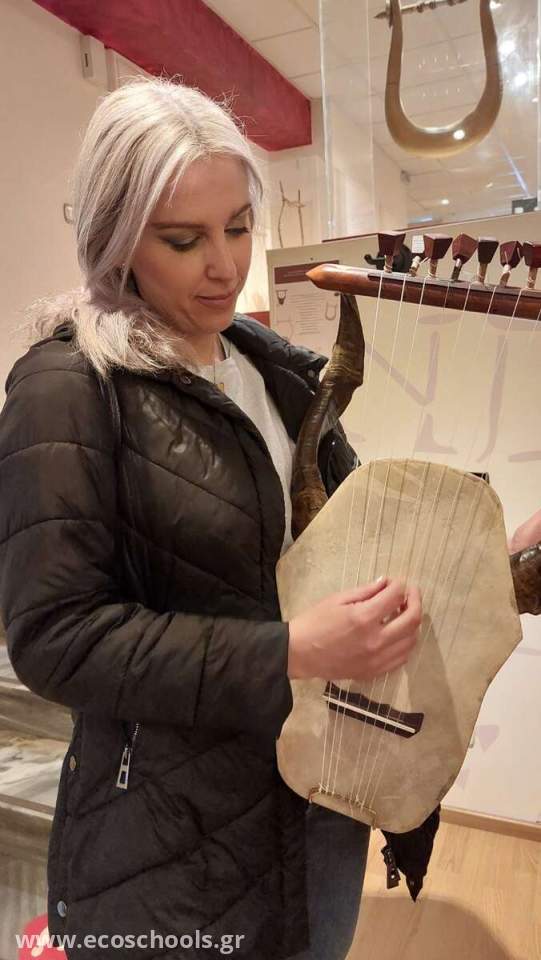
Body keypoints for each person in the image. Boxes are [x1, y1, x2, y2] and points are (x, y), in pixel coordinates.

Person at [0, 77, 422, 960]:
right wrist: (292, 650)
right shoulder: (66, 391)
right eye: (184, 239)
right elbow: (54, 639)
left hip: (319, 795)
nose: (225, 265)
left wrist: (489, 559)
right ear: (115, 237)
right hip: (166, 841)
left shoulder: (279, 373)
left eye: (238, 225)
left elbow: (337, 544)